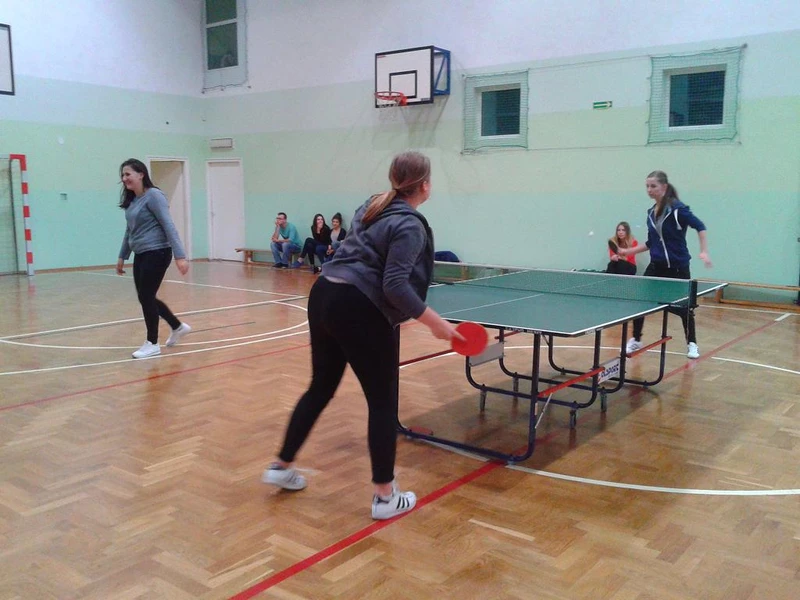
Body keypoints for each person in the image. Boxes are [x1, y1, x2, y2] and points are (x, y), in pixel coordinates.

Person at [262, 150, 463, 520]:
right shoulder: (409, 225)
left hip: (324, 294)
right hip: (359, 306)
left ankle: (281, 465)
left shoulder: (371, 206)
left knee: (320, 386)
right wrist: (436, 323)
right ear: (424, 186)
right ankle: (385, 497)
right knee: (382, 402)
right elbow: (394, 286)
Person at [617, 170, 712, 359]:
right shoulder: (650, 213)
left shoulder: (678, 210)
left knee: (685, 308)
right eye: (647, 186)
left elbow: (700, 226)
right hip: (656, 266)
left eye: (653, 186)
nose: (649, 190)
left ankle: (692, 343)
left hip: (678, 267)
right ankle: (636, 339)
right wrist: (629, 251)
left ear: (664, 187)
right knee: (641, 302)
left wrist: (703, 251)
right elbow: (651, 242)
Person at [116, 158, 191, 359]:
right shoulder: (133, 200)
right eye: (122, 175)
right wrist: (122, 256)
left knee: (146, 296)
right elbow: (129, 231)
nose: (124, 178)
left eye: (128, 174)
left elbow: (168, 225)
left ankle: (152, 343)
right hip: (141, 253)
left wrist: (180, 256)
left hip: (158, 252)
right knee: (145, 297)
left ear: (141, 174)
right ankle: (177, 326)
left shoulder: (154, 196)